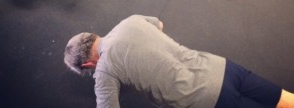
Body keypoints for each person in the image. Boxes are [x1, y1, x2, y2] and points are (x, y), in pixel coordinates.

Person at [64, 14, 294, 108]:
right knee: (284, 99)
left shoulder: (104, 72)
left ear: (87, 65)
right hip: (222, 67)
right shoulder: (129, 21)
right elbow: (159, 24)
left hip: (211, 99)